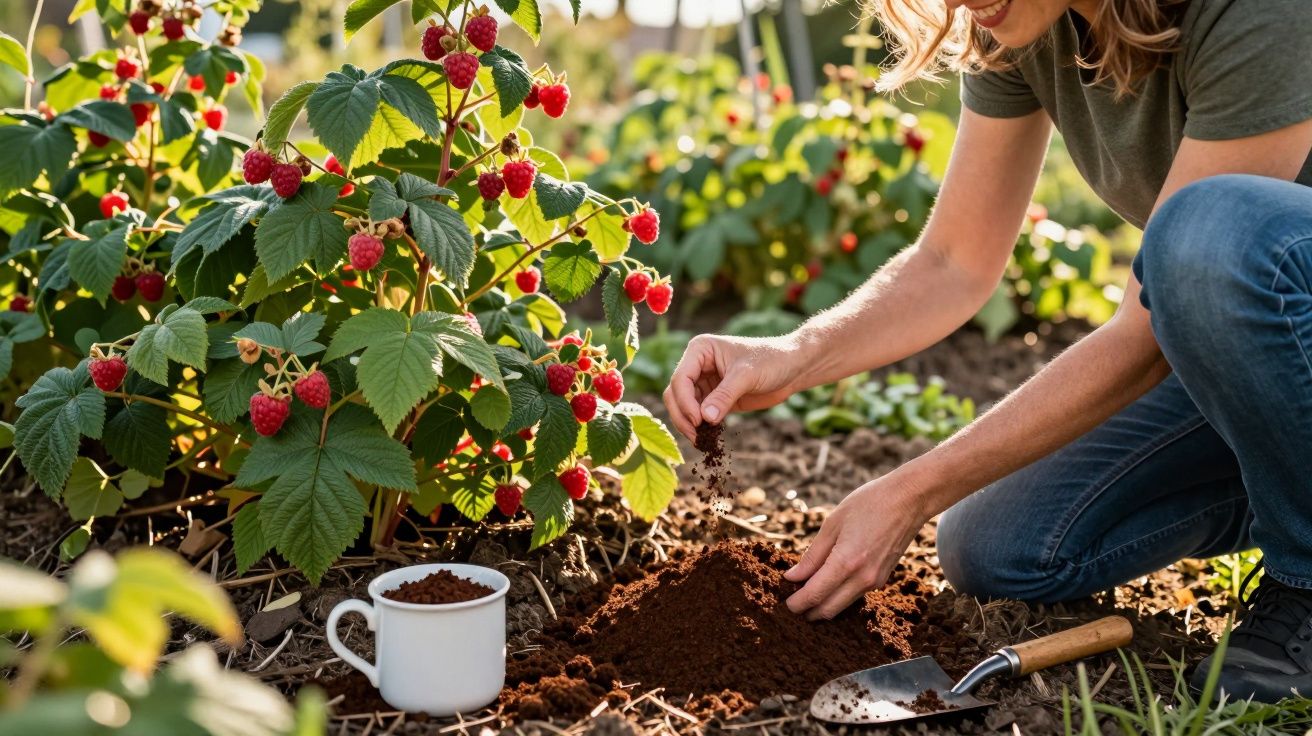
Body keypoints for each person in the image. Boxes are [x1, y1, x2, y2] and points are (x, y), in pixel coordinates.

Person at [664, 0, 1312, 703]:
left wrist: (910, 492)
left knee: (1206, 233)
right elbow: (954, 260)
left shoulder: (1259, 12)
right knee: (999, 544)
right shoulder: (1022, 19)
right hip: (1272, 353)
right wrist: (795, 352)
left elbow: (1143, 333)